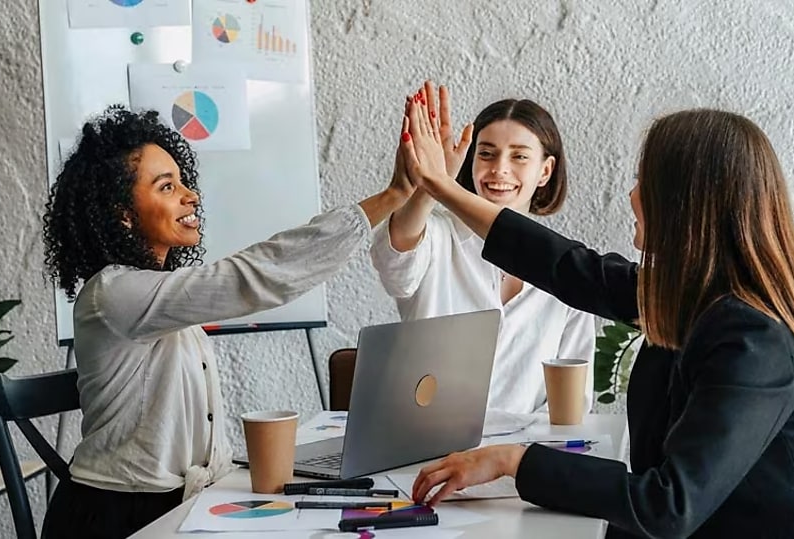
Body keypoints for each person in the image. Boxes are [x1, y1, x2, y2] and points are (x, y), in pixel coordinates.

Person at [402, 95, 794, 537]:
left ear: (685, 203)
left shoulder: (753, 338)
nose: (631, 195)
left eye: (643, 181)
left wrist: (512, 460)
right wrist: (442, 187)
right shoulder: (692, 298)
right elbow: (567, 267)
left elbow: (667, 506)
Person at [40, 105, 415, 538]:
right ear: (122, 213)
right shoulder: (114, 293)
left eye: (183, 181)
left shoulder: (160, 296)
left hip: (177, 504)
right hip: (115, 517)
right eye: (167, 187)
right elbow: (250, 277)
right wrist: (391, 197)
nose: (190, 195)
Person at [370, 82, 595, 415]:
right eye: (486, 153)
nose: (499, 169)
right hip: (428, 449)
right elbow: (395, 256)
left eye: (519, 156)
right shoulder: (436, 235)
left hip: (521, 457)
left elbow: (573, 403)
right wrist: (432, 183)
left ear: (545, 171)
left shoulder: (566, 267)